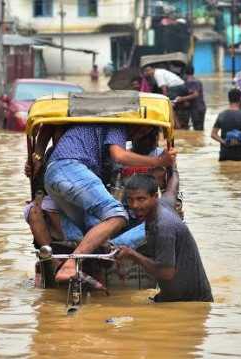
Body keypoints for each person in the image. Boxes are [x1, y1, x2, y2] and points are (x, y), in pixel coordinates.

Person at [30, 123, 177, 281]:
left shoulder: (93, 139)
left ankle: (94, 258)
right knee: (117, 215)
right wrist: (159, 161)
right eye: (141, 129)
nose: (140, 134)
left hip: (57, 176)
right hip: (70, 169)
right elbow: (119, 156)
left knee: (94, 223)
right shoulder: (116, 125)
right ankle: (72, 264)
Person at [116, 174, 213, 302]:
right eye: (130, 200)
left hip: (189, 303)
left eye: (141, 199)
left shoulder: (163, 227)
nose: (135, 205)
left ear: (155, 197)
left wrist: (133, 255)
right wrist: (172, 168)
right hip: (175, 298)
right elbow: (172, 189)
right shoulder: (164, 204)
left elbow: (165, 272)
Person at [211, 88, 241, 161]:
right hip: (239, 153)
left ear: (229, 99)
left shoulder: (221, 114)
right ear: (240, 99)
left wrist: (224, 142)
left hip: (224, 153)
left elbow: (213, 134)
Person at [174, 66, 206, 131]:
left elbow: (195, 94)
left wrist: (182, 99)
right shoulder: (193, 81)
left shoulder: (193, 82)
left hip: (197, 109)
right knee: (198, 129)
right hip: (197, 108)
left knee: (198, 129)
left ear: (185, 73)